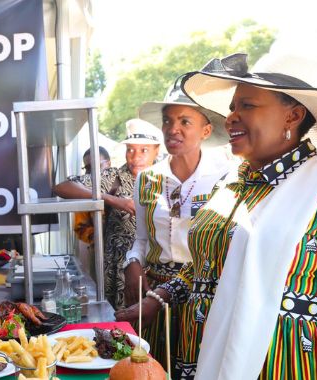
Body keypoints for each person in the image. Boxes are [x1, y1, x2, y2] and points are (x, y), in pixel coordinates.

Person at [118, 47, 317, 379]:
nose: (230, 118)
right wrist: (159, 296)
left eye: (248, 106)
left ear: (293, 116)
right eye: (232, 107)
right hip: (202, 357)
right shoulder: (233, 185)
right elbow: (206, 265)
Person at [117, 78, 236, 370]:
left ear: (206, 131)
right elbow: (142, 240)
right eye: (168, 121)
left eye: (185, 121)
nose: (173, 129)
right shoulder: (148, 178)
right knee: (153, 368)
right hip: (155, 293)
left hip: (203, 294)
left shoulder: (225, 178)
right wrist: (131, 263)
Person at [53, 119, 162, 308]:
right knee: (123, 326)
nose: (135, 157)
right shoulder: (114, 178)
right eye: (130, 149)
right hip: (118, 273)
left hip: (156, 269)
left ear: (156, 151)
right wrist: (110, 199)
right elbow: (62, 187)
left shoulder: (166, 179)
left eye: (144, 150)